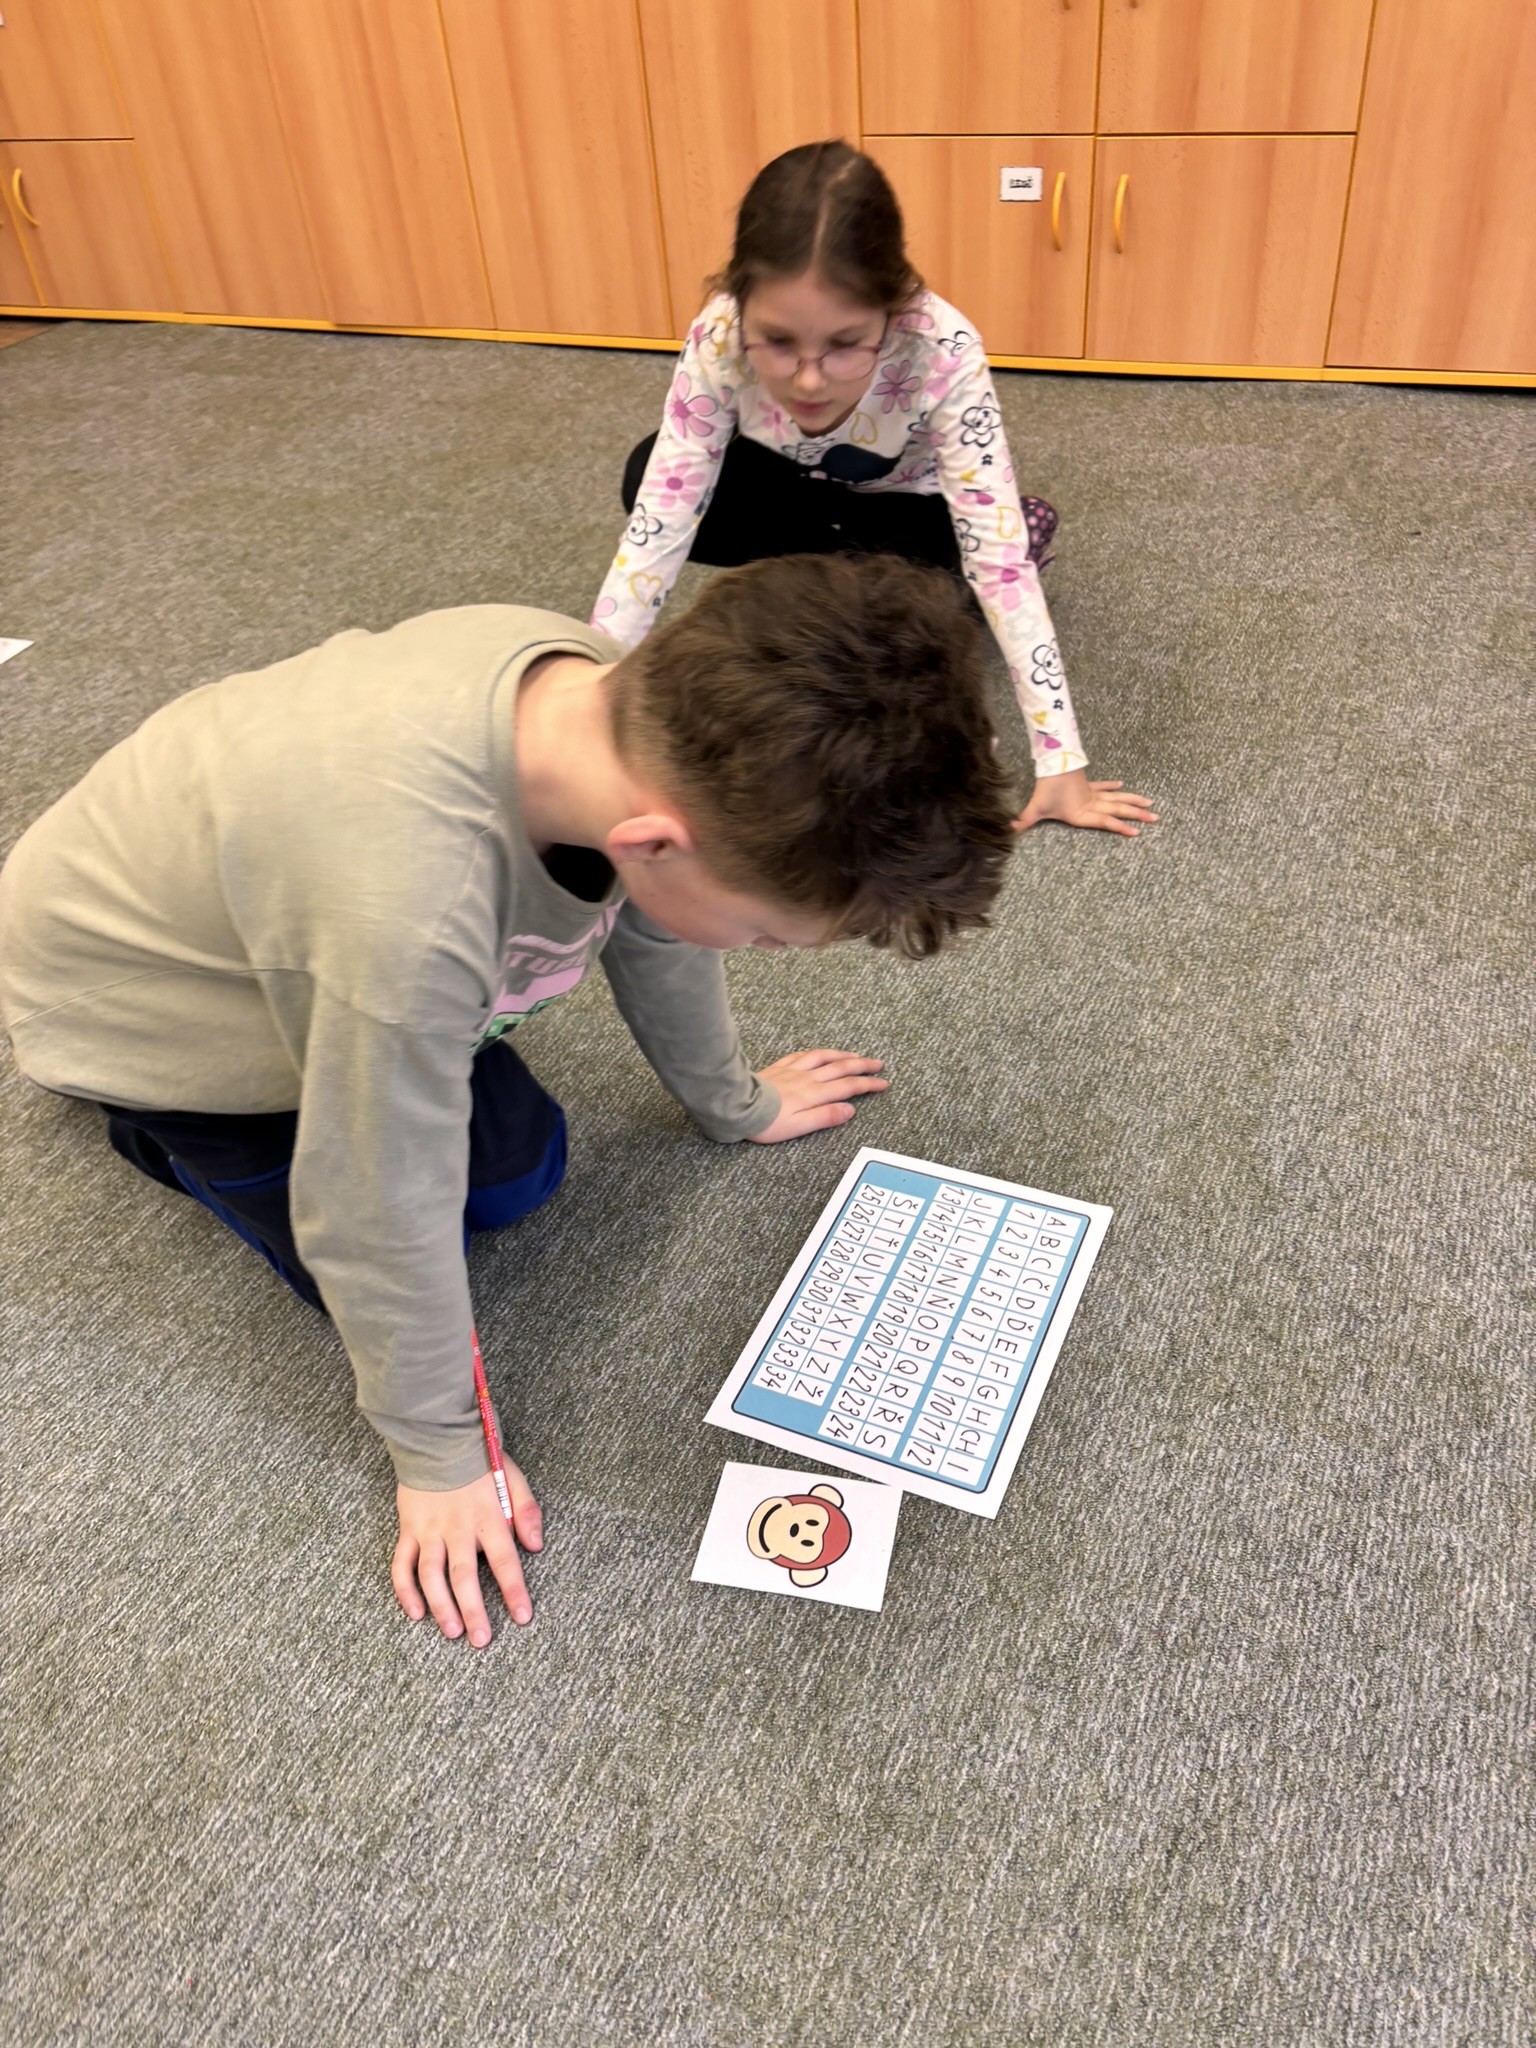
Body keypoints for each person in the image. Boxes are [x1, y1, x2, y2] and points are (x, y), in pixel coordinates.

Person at [0, 554, 1014, 1647]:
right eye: (767, 933)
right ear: (651, 844)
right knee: (433, 1219)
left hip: (315, 927)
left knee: (517, 1167)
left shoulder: (613, 699)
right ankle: (162, 1134)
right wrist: (440, 1456)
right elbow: (376, 1202)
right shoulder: (408, 922)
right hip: (136, 1014)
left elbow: (654, 919)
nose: (765, 949)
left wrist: (736, 1100)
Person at [594, 140, 1157, 840]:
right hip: (795, 482)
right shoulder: (719, 333)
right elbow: (662, 515)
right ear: (740, 301)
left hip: (910, 503)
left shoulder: (943, 348)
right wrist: (594, 688)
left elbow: (1000, 567)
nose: (808, 379)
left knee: (925, 613)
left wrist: (1060, 761)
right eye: (777, 341)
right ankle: (847, 566)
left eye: (844, 343)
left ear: (893, 309)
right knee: (648, 472)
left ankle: (1010, 524)